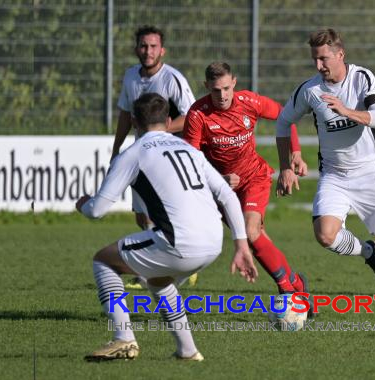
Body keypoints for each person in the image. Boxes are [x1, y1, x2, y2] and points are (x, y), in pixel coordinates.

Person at [77, 93, 258, 362]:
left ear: (135, 123)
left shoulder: (133, 154)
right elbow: (228, 195)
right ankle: (188, 351)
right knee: (158, 280)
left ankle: (123, 338)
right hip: (213, 243)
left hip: (179, 242)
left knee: (104, 261)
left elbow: (97, 210)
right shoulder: (189, 150)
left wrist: (83, 203)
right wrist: (241, 244)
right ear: (170, 121)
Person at [275, 29, 375, 328]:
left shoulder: (361, 78)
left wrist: (348, 110)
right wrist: (286, 166)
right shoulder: (310, 90)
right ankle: (367, 252)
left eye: (324, 58)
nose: (319, 65)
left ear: (340, 54)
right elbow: (283, 121)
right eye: (315, 59)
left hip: (369, 174)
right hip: (334, 175)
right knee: (325, 235)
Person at [183, 62, 310, 296]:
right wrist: (219, 179)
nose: (221, 96)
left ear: (234, 83)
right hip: (221, 189)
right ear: (206, 87)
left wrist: (296, 155)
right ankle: (297, 284)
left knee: (250, 232)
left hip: (254, 177)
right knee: (254, 238)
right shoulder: (197, 114)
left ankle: (288, 292)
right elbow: (190, 162)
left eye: (226, 89)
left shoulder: (249, 102)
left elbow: (285, 116)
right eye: (215, 90)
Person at [111, 25, 196, 231]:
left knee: (162, 213)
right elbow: (125, 114)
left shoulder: (172, 79)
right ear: (136, 49)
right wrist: (116, 149)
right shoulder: (130, 75)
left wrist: (158, 130)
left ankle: (169, 254)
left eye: (153, 46)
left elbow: (192, 116)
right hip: (140, 153)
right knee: (142, 217)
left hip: (166, 155)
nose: (148, 51)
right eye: (143, 46)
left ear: (162, 50)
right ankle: (158, 255)